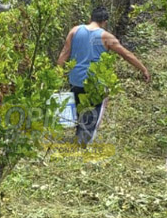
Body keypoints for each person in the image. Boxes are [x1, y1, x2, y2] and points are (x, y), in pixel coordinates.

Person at [57, 7, 150, 145]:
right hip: (94, 84)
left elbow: (64, 53)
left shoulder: (74, 31)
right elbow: (126, 54)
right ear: (105, 22)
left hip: (75, 80)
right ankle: (82, 145)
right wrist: (143, 69)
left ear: (90, 18)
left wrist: (57, 75)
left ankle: (78, 139)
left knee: (80, 109)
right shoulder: (106, 37)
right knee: (92, 114)